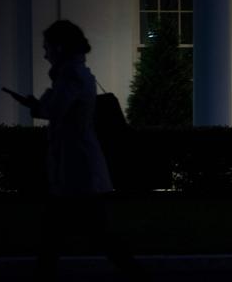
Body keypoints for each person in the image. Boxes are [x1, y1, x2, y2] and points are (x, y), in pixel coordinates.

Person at [18, 20, 143, 280]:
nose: (45, 54)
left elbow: (56, 109)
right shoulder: (76, 74)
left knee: (65, 233)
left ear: (60, 48)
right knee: (82, 232)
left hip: (76, 168)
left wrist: (38, 102)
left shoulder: (70, 76)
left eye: (47, 47)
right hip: (76, 166)